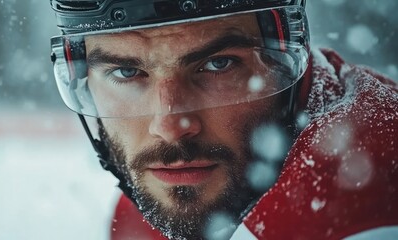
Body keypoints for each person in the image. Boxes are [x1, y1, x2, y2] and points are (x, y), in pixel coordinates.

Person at [48, 0, 398, 239]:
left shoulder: (363, 205)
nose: (170, 127)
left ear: (289, 62)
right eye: (126, 71)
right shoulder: (171, 190)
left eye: (218, 64)